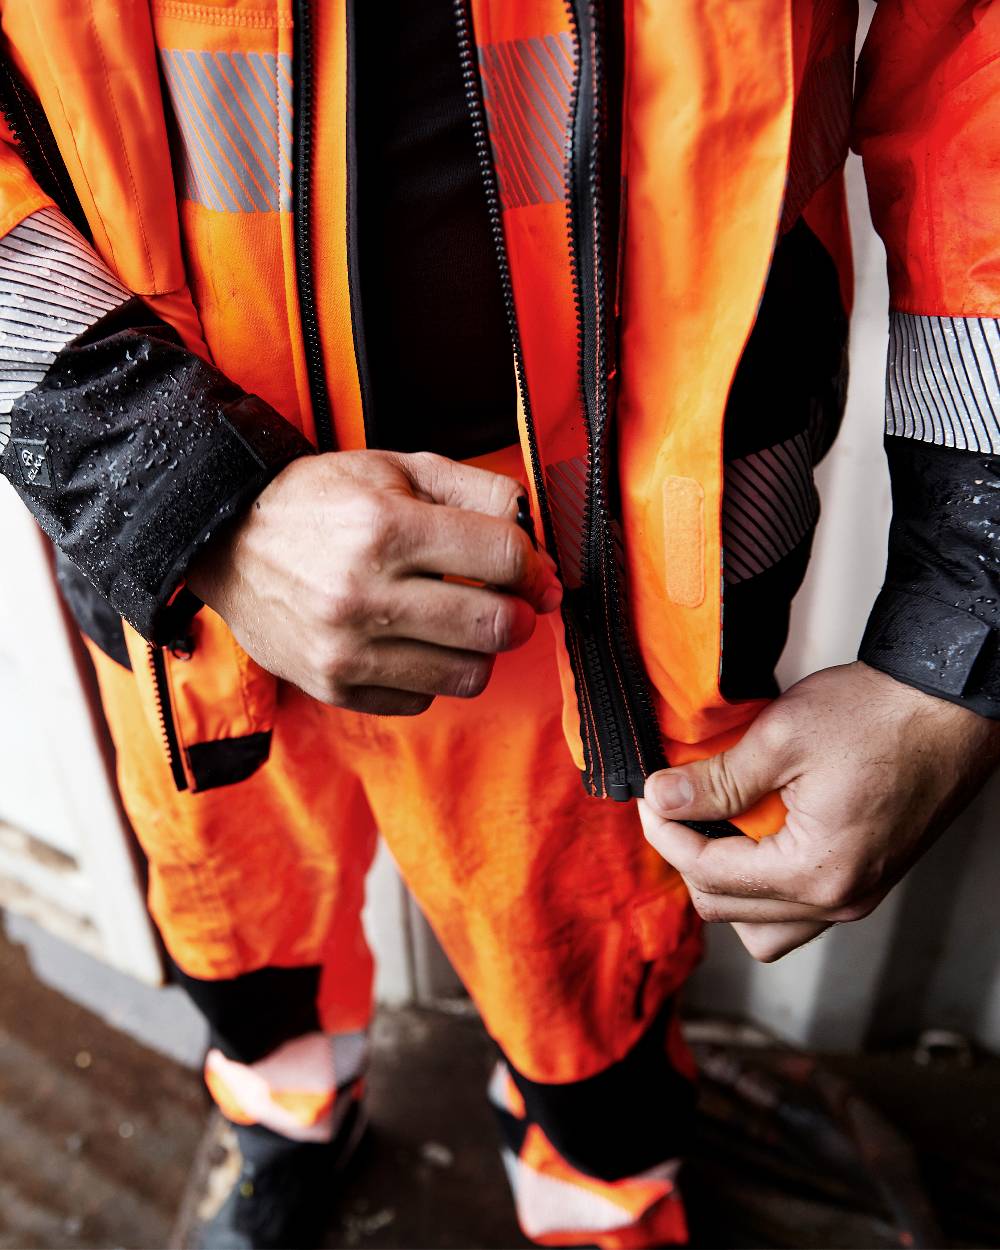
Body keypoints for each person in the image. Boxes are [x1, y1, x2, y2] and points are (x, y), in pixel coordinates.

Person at [0, 1, 997, 1246]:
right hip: (180, 553)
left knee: (584, 971)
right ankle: (284, 1108)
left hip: (600, 568)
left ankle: (596, 1202)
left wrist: (968, 605)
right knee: (234, 905)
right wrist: (171, 487)